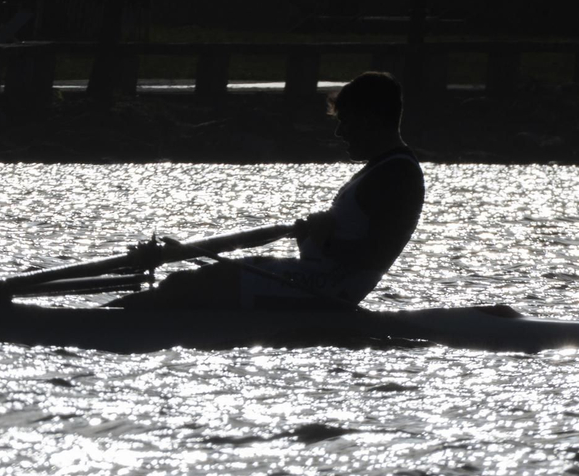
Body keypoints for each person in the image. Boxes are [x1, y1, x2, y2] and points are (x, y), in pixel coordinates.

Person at [112, 71, 424, 310]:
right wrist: (313, 237)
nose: (340, 132)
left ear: (370, 118)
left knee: (188, 286)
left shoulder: (397, 175)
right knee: (186, 281)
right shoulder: (382, 168)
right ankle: (105, 319)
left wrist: (322, 238)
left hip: (330, 292)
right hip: (318, 281)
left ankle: (94, 327)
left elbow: (372, 257)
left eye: (346, 121)